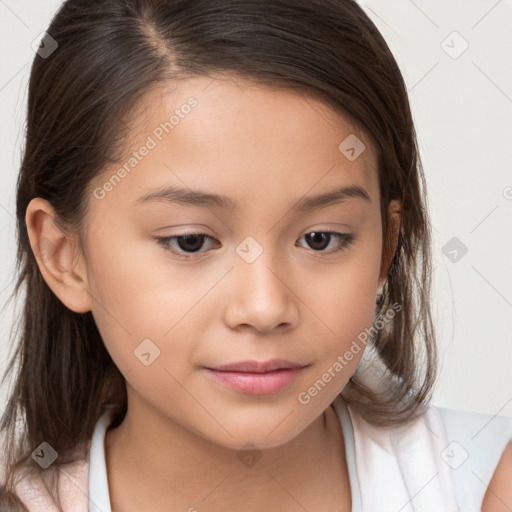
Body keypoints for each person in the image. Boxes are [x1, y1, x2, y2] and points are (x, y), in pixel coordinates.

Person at [1, 0, 511, 510]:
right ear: (63, 255)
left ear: (385, 247)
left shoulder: (487, 484)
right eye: (191, 241)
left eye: (320, 239)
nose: (265, 308)